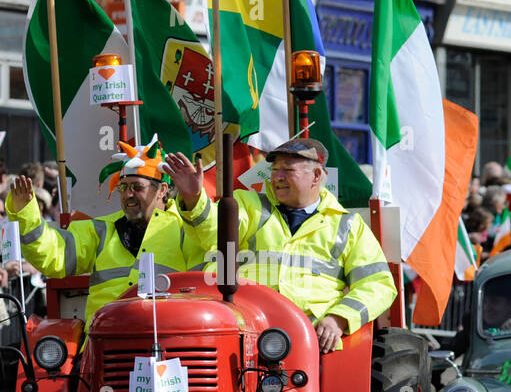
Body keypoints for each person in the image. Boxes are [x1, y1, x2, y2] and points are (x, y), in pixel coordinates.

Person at [166, 138, 396, 354]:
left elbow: (379, 285)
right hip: (246, 329)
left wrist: (339, 318)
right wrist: (195, 197)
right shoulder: (248, 204)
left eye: (287, 170)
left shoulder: (348, 225)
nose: (277, 177)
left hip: (313, 340)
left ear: (316, 176)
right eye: (274, 170)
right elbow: (213, 235)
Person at [5, 147, 203, 330]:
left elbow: (210, 247)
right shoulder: (100, 229)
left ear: (161, 190)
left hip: (168, 338)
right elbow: (52, 255)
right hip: (105, 341)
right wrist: (26, 213)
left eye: (136, 187)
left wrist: (194, 200)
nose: (128, 194)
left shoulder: (186, 228)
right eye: (123, 187)